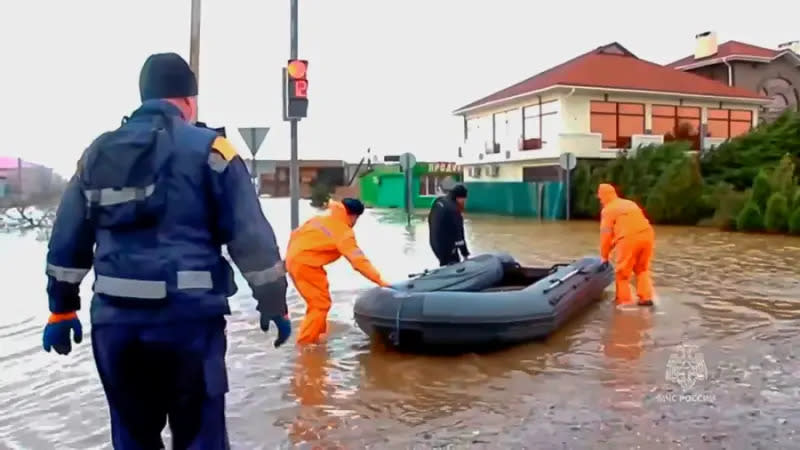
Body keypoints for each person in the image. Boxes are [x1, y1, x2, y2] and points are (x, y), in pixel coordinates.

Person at [42, 52, 291, 449]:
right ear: (190, 101)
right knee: (200, 438)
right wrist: (273, 302)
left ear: (143, 97)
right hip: (189, 323)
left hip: (116, 326)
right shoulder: (214, 151)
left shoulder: (97, 153)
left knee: (133, 438)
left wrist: (61, 307)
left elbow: (68, 238)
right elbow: (251, 237)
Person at [285, 198, 389, 345]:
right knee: (320, 305)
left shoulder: (319, 219)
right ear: (354, 216)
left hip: (295, 261)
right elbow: (358, 261)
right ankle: (305, 345)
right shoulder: (344, 232)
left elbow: (295, 234)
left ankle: (317, 337)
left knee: (319, 301)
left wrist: (289, 259)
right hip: (306, 265)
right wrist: (380, 281)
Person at [597, 183, 655, 307]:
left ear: (603, 196)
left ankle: (624, 303)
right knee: (642, 269)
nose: (600, 200)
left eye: (600, 197)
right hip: (647, 235)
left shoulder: (608, 210)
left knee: (622, 273)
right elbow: (629, 225)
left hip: (629, 239)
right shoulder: (629, 203)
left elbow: (605, 235)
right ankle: (646, 298)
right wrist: (614, 243)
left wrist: (604, 257)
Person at [428, 184, 470, 266]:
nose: (464, 202)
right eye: (464, 200)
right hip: (445, 246)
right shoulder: (454, 210)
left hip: (434, 242)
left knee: (444, 263)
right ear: (459, 198)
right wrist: (465, 254)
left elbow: (430, 220)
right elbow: (459, 236)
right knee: (455, 266)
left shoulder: (438, 201)